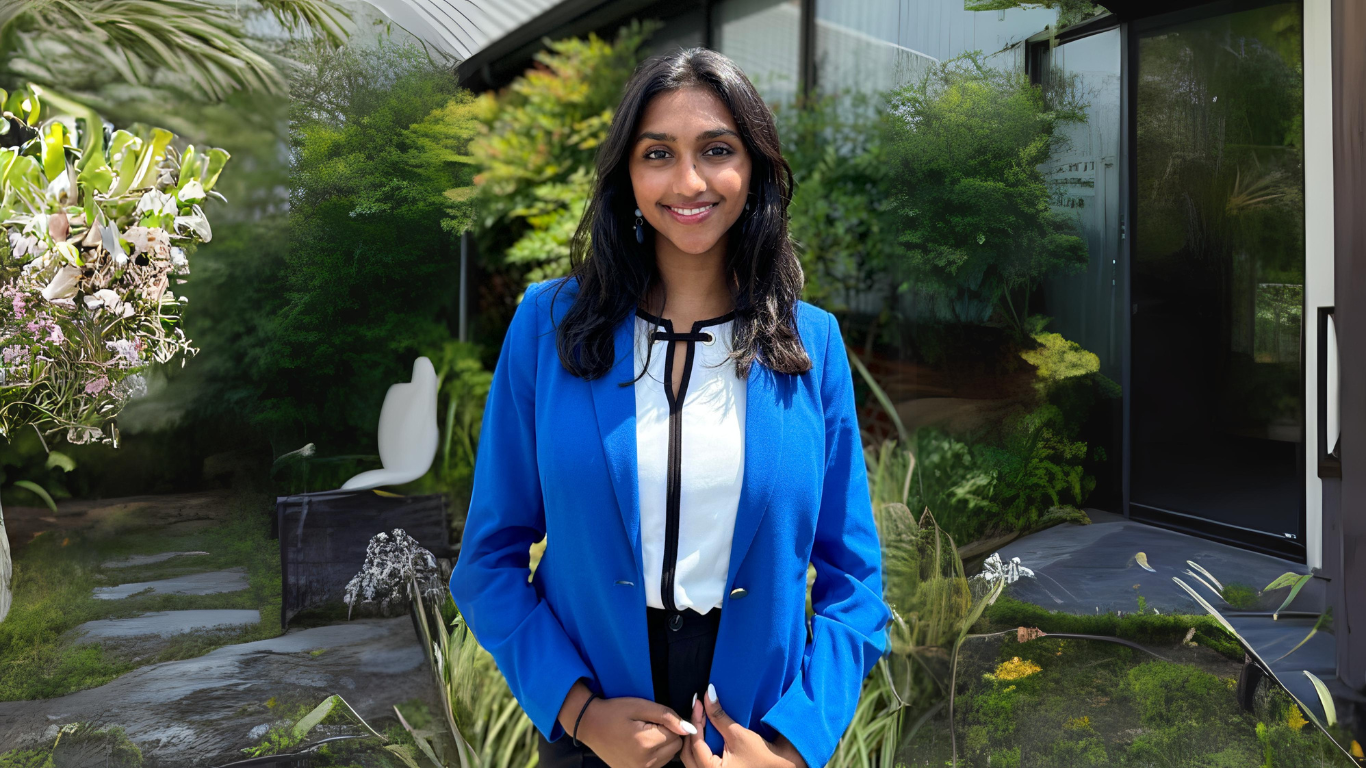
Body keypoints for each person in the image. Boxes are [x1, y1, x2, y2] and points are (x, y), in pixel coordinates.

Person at [447, 46, 891, 768]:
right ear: (626, 173)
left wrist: (791, 749)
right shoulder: (547, 327)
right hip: (593, 727)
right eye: (658, 153)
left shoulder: (813, 344)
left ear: (754, 169)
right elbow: (487, 562)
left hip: (755, 732)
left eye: (717, 150)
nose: (688, 181)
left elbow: (856, 586)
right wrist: (580, 713)